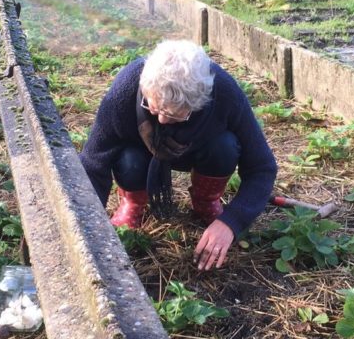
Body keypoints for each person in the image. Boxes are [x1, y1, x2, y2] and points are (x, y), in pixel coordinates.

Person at [80, 39, 277, 272]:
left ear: (199, 105)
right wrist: (87, 229)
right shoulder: (125, 89)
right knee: (128, 159)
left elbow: (262, 168)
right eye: (154, 107)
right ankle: (133, 203)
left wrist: (232, 222)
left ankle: (206, 202)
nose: (162, 120)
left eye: (175, 115)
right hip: (140, 155)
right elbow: (93, 164)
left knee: (225, 146)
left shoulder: (224, 93)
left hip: (199, 150)